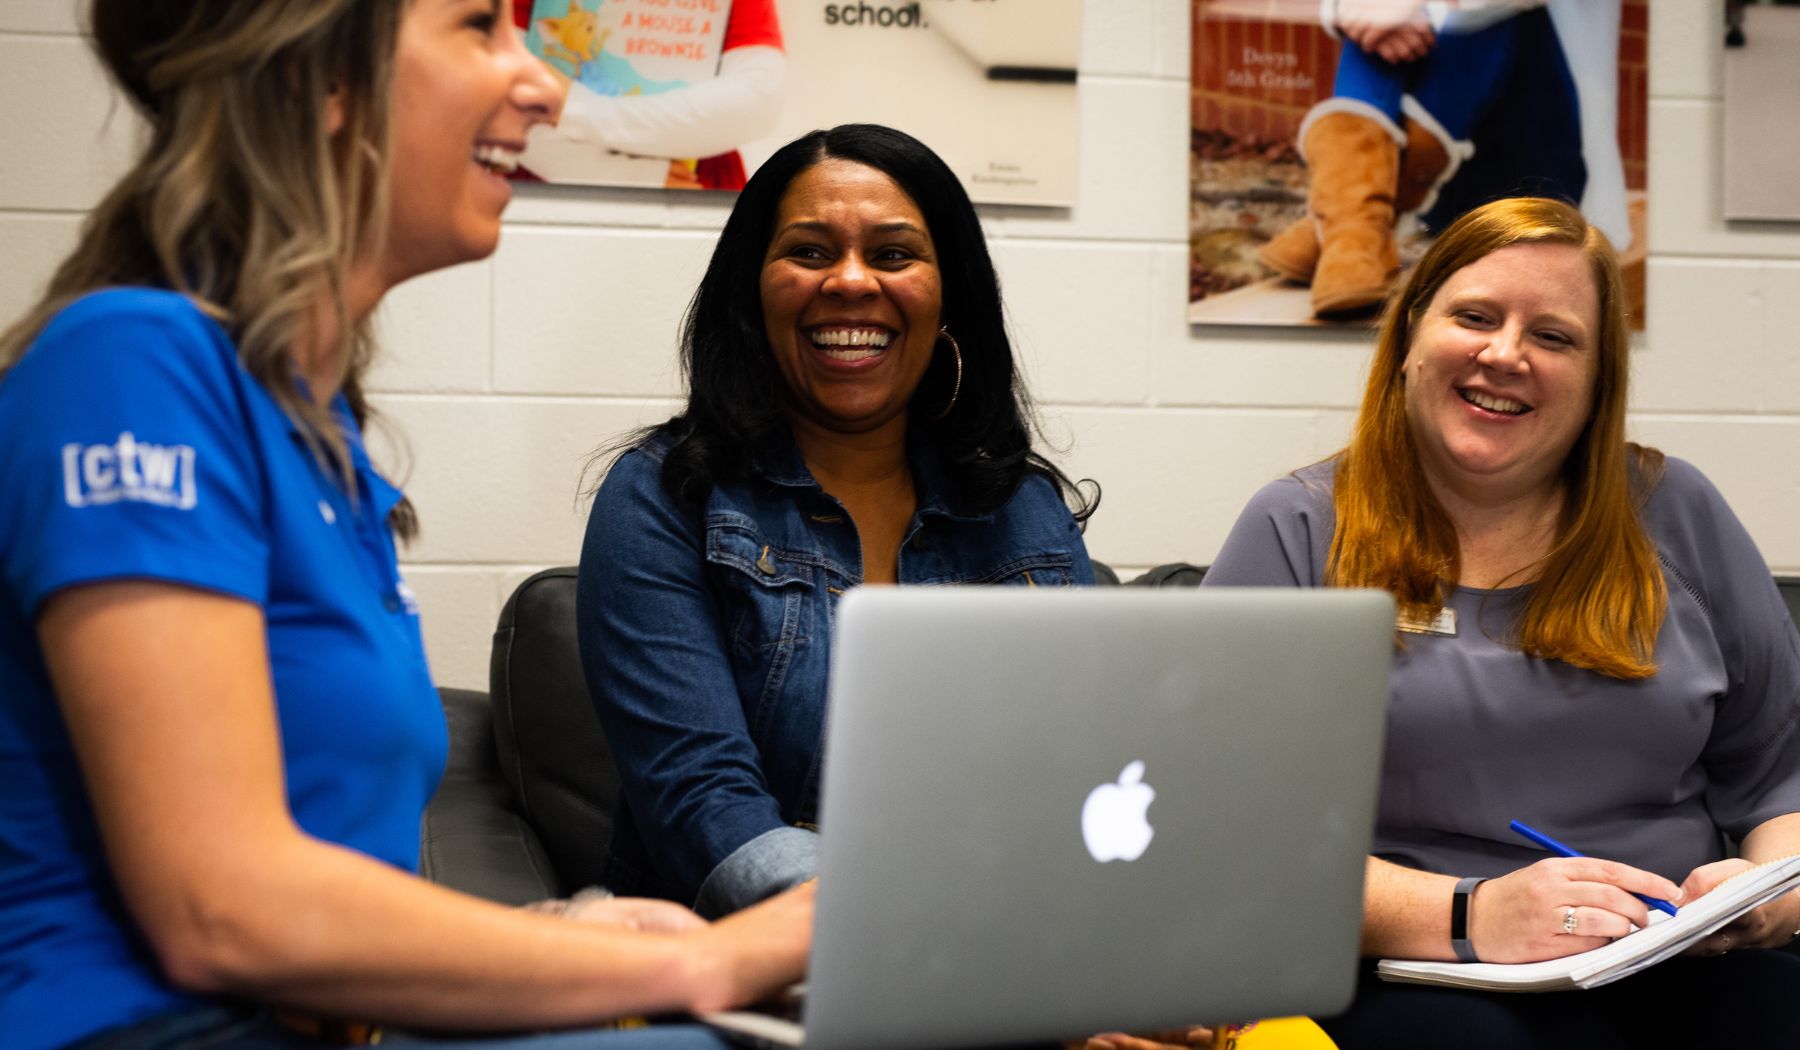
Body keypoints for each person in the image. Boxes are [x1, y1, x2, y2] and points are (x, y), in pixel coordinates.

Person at [0, 3, 811, 1048]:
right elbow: (222, 911)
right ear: (317, 82)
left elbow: (308, 934)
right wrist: (707, 955)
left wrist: (567, 939)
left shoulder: (315, 437)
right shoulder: (129, 364)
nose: (545, 86)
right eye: (480, 26)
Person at [1206, 196, 1800, 1048]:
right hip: (1411, 969)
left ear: (1599, 380)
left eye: (1555, 337)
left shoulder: (1678, 512)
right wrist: (1469, 912)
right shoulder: (1296, 529)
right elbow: (1221, 832)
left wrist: (1767, 898)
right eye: (1474, 317)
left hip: (1672, 957)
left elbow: (1782, 780)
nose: (1505, 354)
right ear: (1410, 334)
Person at [577, 124, 1097, 918]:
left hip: (1017, 955)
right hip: (741, 988)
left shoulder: (1022, 508)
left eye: (893, 255)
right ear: (752, 290)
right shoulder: (661, 497)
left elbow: (1084, 779)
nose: (852, 282)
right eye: (811, 252)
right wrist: (957, 940)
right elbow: (708, 812)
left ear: (948, 291)